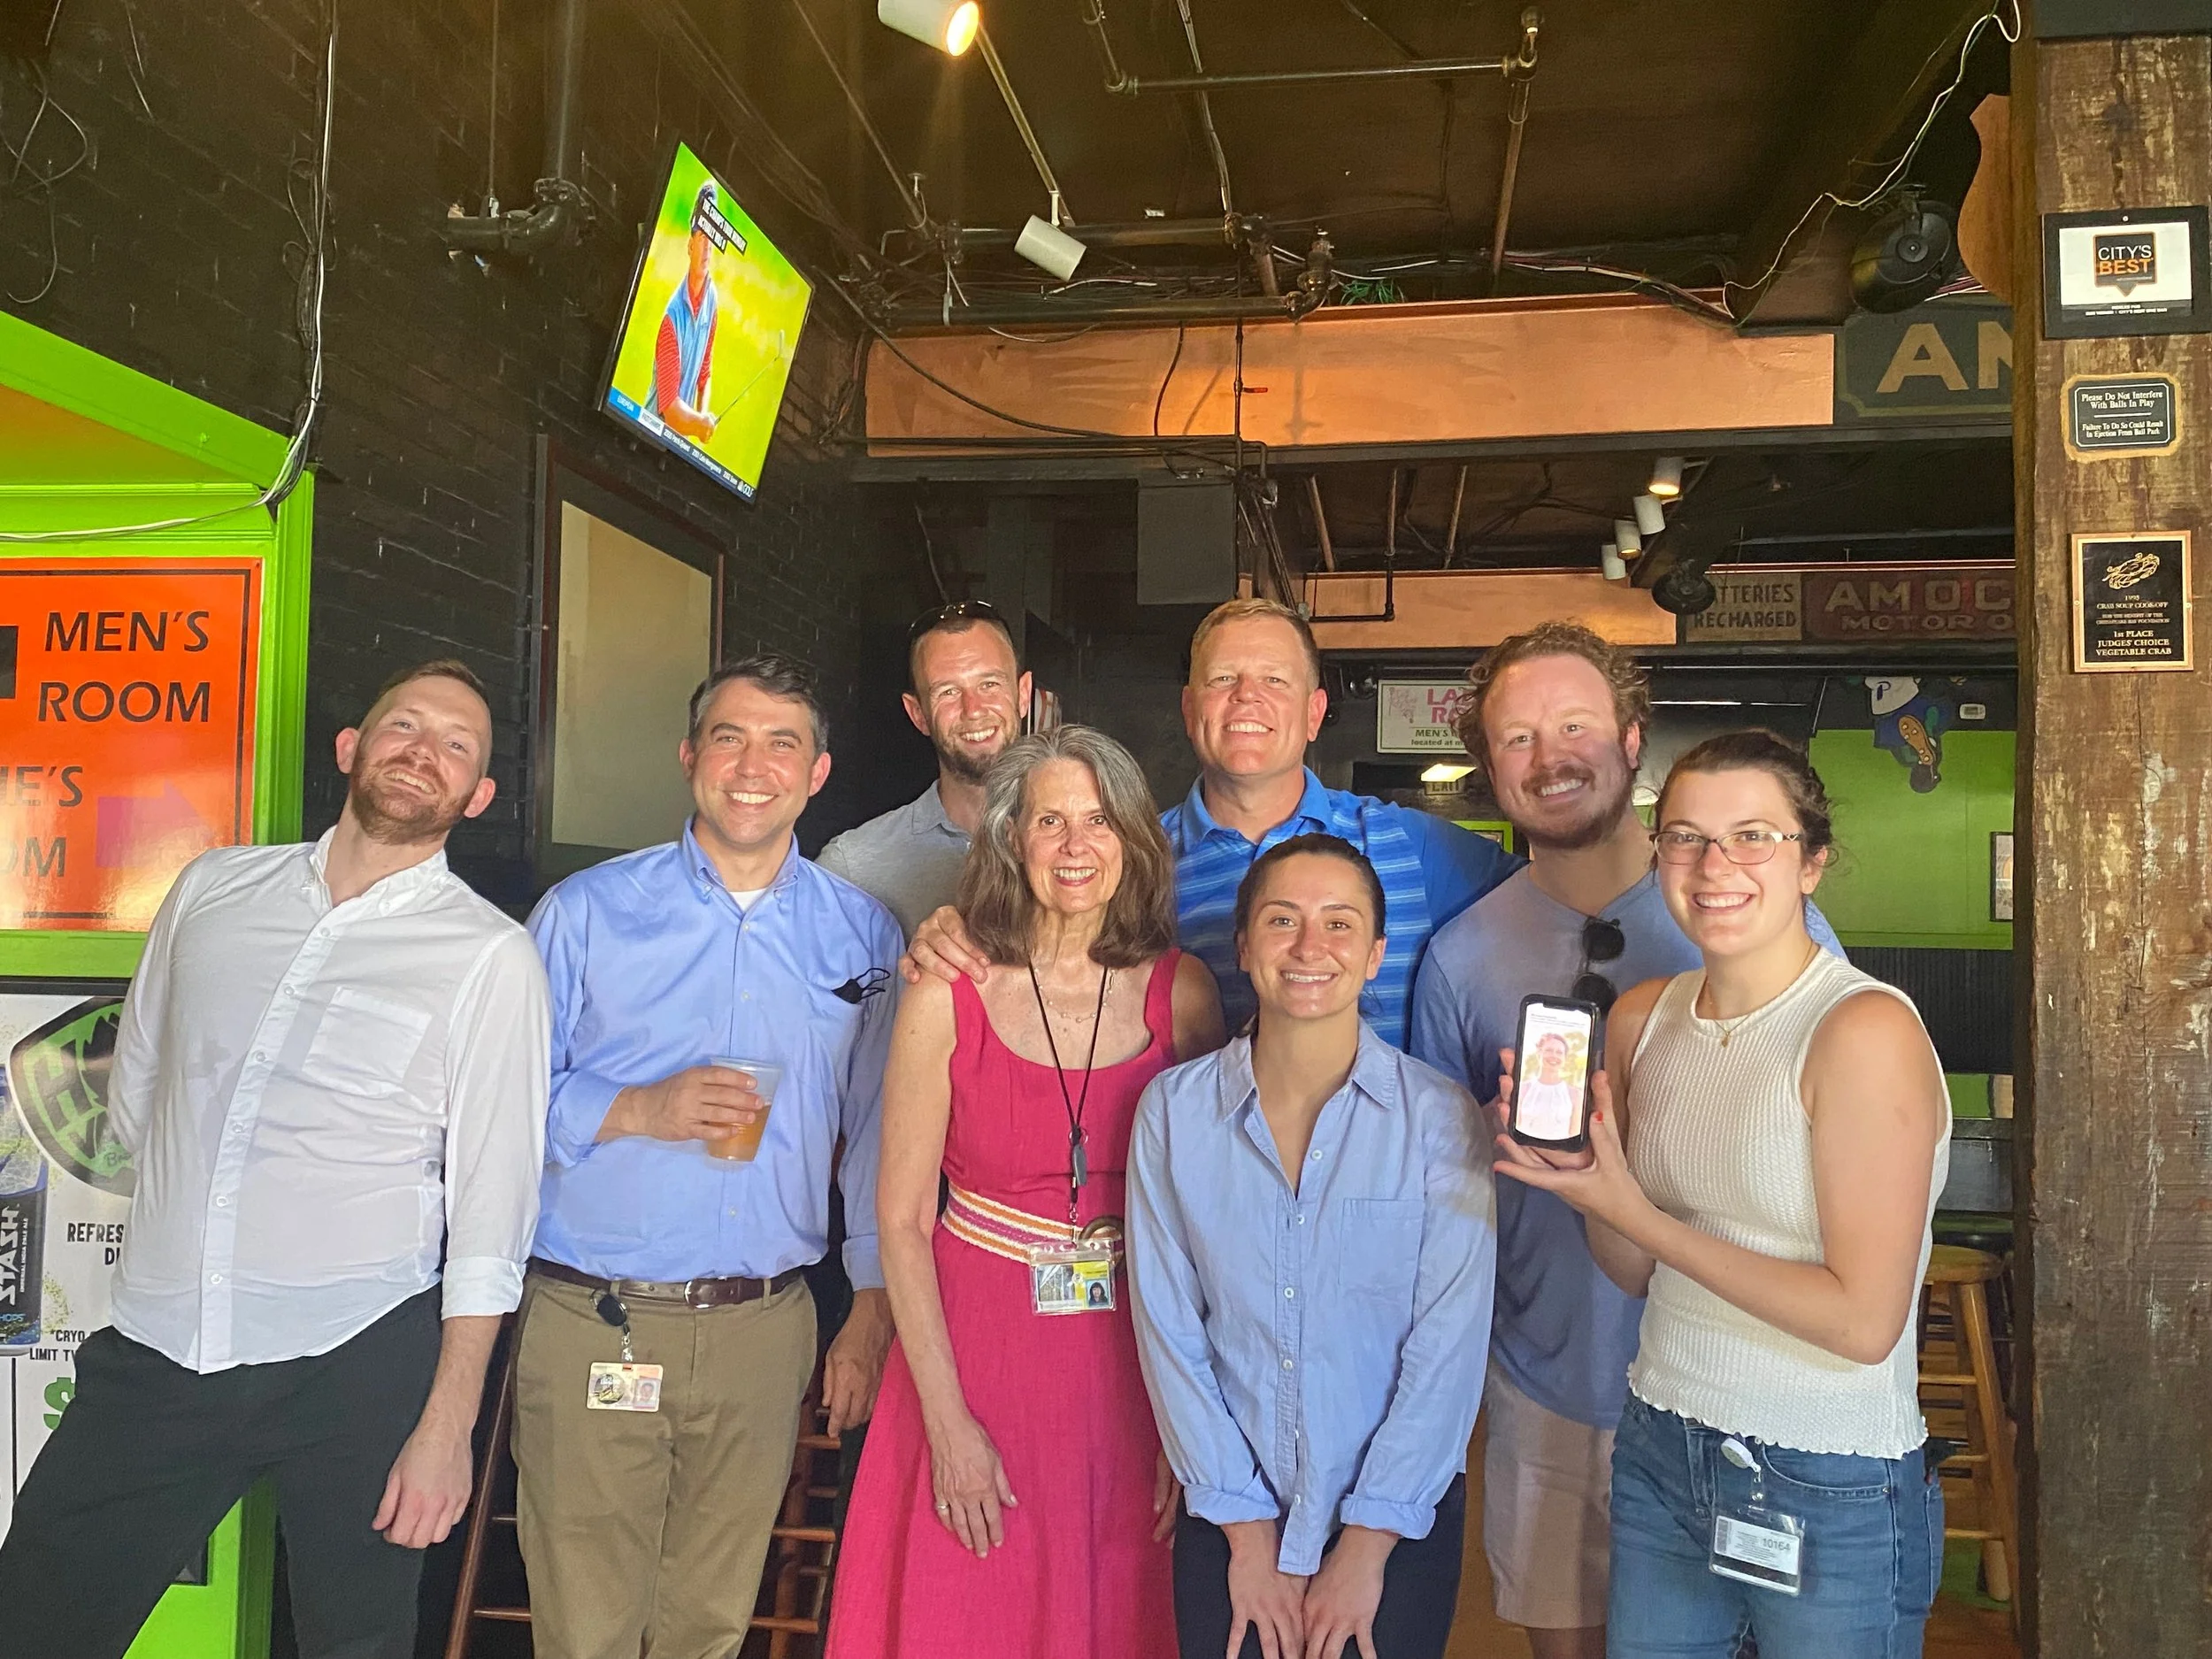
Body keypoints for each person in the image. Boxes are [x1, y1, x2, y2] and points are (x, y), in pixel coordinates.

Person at [0, 660, 551, 1659]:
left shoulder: (489, 956)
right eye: (403, 725)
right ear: (351, 748)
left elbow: (491, 1207)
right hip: (162, 1342)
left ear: (477, 796)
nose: (422, 752)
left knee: (355, 1643)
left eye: (456, 745)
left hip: (357, 1354)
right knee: (36, 1621)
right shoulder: (214, 888)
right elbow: (140, 1089)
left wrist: (447, 1426)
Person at [1409, 623, 1842, 1659]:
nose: (1548, 757)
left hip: (1733, 1386)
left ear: (1632, 740)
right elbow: (1436, 1198)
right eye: (1516, 737)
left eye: (1574, 726)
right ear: (1487, 766)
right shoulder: (1461, 955)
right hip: (1548, 1379)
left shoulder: (1748, 919)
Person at [1494, 732, 1949, 1659]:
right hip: (1663, 1442)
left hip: (1826, 1472)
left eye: (1752, 837)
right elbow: (1633, 1270)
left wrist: (1640, 1216)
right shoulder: (1643, 1018)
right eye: (1685, 837)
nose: (1713, 866)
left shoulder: (1860, 1030)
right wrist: (1589, 1187)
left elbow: (1864, 1322)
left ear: (1811, 862)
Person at [518, 654, 902, 1659]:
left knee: (712, 1624)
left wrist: (869, 1305)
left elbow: (875, 1131)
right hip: (597, 1315)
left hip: (763, 1325)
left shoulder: (861, 933)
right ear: (690, 756)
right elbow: (492, 1106)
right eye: (729, 738)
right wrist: (638, 1107)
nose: (753, 766)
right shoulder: (585, 911)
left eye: (783, 743)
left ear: (817, 773)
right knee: (585, 1630)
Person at [828, 725, 1224, 1659]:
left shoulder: (1186, 995)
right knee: (967, 1615)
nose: (1076, 845)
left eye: (1099, 820)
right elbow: (900, 1218)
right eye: (1051, 821)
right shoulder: (946, 991)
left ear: (1133, 840)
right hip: (970, 1356)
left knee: (1120, 1614)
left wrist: (1194, 1425)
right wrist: (947, 1422)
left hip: (1133, 1364)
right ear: (1011, 838)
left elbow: (1213, 1227)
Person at [1130, 833, 1494, 1659]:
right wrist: (1248, 1534)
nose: (1308, 946)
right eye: (1282, 919)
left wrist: (1365, 1547)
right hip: (1229, 1515)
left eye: (1339, 923)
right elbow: (1170, 1332)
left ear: (1375, 955)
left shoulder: (1439, 1118)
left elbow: (1448, 1349)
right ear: (1244, 944)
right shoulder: (1174, 1114)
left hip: (1396, 1523)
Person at [905, 596, 1520, 1046]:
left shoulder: (1410, 846)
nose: (1247, 696)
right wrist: (957, 933)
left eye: (1274, 680)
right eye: (1224, 678)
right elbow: (1031, 956)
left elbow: (1551, 907)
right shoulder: (1126, 861)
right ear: (1189, 708)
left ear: (1314, 713)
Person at [818, 599, 1032, 938]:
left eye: (989, 684)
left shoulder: (1089, 847)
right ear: (918, 714)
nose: (973, 709)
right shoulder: (853, 869)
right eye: (948, 692)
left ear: (1023, 694)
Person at [652, 180, 733, 442]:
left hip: (678, 440)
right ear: (690, 246)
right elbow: (670, 411)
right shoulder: (672, 318)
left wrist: (703, 417)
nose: (708, 248)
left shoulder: (712, 299)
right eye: (702, 238)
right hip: (653, 431)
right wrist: (700, 424)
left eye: (712, 240)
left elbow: (704, 373)